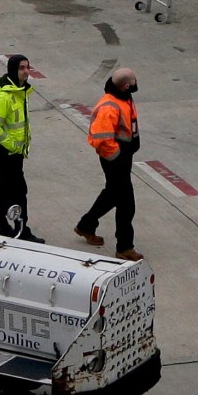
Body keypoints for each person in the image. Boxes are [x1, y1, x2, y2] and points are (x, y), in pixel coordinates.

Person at [74, 68, 142, 261]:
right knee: (126, 205)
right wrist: (117, 156)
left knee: (112, 194)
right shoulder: (109, 106)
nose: (137, 83)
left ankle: (86, 225)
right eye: (134, 80)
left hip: (123, 158)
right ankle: (124, 247)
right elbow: (100, 139)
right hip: (115, 160)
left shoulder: (124, 96)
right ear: (127, 85)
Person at [0, 54, 38, 241]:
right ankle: (21, 229)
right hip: (7, 152)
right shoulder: (6, 97)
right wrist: (12, 145)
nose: (26, 71)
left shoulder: (20, 91)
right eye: (22, 68)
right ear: (13, 70)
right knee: (18, 192)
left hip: (15, 153)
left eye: (27, 67)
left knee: (4, 190)